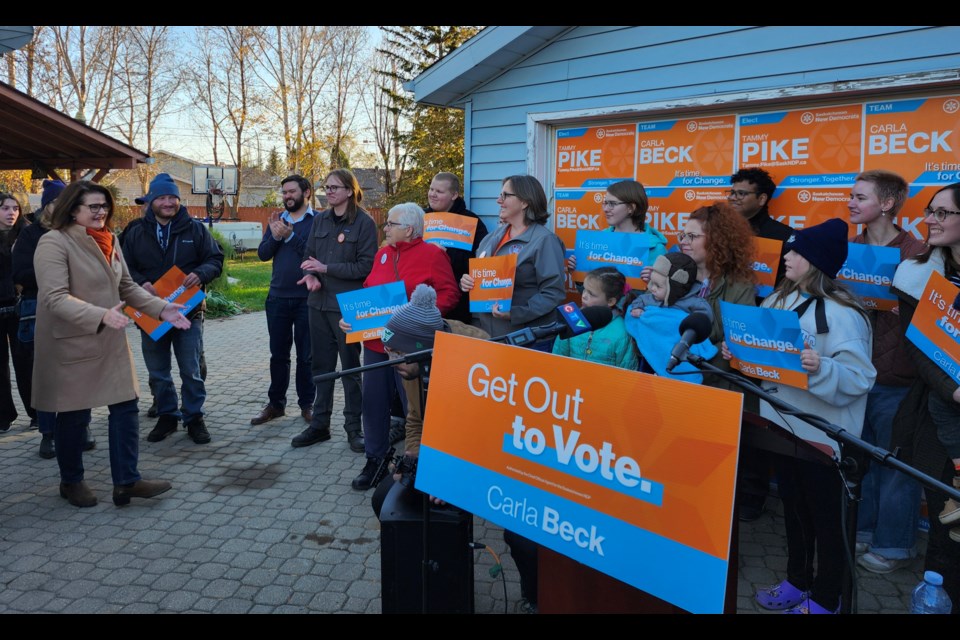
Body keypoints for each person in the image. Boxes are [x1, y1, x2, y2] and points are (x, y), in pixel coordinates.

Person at [741, 218, 875, 614]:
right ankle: (796, 581)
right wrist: (742, 355)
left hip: (823, 438)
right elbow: (768, 359)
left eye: (796, 252)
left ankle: (827, 597)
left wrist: (822, 368)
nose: (788, 256)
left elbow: (860, 378)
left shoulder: (844, 313)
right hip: (782, 429)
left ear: (816, 261)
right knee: (795, 512)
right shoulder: (777, 300)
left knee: (827, 522)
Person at [33, 181, 188, 508]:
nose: (101, 211)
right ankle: (71, 481)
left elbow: (127, 287)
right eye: (93, 206)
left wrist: (162, 308)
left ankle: (127, 481)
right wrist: (101, 316)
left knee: (126, 407)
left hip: (110, 339)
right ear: (73, 209)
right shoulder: (54, 243)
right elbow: (54, 298)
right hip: (73, 343)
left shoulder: (110, 239)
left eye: (104, 205)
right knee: (75, 415)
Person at [340, 202, 459, 491]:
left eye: (391, 224)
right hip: (376, 345)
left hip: (411, 347)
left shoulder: (432, 255)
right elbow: (368, 291)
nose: (386, 228)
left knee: (414, 408)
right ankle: (376, 459)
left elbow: (449, 294)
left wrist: (421, 319)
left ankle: (421, 464)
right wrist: (352, 320)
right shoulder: (382, 254)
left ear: (409, 228)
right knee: (373, 404)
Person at [847, 170, 927, 574]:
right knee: (864, 458)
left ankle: (895, 545)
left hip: (899, 377)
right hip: (857, 374)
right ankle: (864, 531)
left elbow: (936, 322)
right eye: (851, 196)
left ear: (887, 204)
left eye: (860, 197)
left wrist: (905, 310)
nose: (851, 203)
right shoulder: (851, 249)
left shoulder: (918, 254)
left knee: (896, 464)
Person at [891, 183, 960, 605]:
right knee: (946, 524)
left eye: (942, 213)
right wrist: (954, 391)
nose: (929, 220)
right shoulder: (917, 275)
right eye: (929, 211)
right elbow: (917, 347)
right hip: (938, 416)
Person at [120, 173, 224, 445]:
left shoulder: (196, 230)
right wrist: (141, 282)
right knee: (158, 371)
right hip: (149, 313)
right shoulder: (134, 232)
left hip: (188, 312)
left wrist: (201, 273)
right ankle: (167, 415)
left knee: (190, 369)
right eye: (162, 198)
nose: (168, 203)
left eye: (172, 198)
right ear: (151, 201)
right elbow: (122, 265)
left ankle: (194, 418)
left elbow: (215, 259)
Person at [678, 202, 764, 519]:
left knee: (713, 482)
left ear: (715, 240)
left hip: (717, 389)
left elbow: (732, 340)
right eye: (681, 234)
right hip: (678, 386)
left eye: (692, 235)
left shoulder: (739, 285)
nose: (683, 241)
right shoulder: (675, 274)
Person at [294, 168, 377, 451]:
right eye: (326, 187)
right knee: (321, 366)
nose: (328, 192)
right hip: (318, 304)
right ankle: (320, 425)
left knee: (351, 368)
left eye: (334, 187)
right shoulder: (319, 221)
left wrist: (325, 268)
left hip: (348, 307)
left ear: (350, 191)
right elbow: (309, 257)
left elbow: (365, 267)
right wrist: (311, 276)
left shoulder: (364, 223)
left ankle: (354, 428)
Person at [12, 180, 95, 458]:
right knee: (46, 376)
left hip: (77, 309)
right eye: (55, 203)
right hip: (39, 310)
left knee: (79, 374)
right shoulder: (30, 234)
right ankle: (48, 434)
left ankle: (81, 427)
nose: (61, 209)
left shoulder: (80, 232)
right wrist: (55, 275)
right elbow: (20, 273)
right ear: (46, 206)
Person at [459, 175, 566, 350]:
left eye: (506, 195)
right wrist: (468, 282)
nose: (498, 200)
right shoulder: (490, 238)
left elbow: (553, 293)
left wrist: (515, 313)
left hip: (526, 340)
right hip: (487, 335)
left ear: (524, 202)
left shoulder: (544, 241)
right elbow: (482, 278)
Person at [250, 175, 317, 427]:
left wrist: (290, 237)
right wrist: (277, 237)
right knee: (278, 355)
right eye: (284, 193)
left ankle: (307, 404)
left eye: (292, 191)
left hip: (307, 299)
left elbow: (314, 255)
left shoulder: (317, 221)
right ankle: (276, 404)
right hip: (277, 298)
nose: (287, 196)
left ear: (306, 192)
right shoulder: (278, 221)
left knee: (306, 356)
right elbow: (262, 255)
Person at [627, 253, 714, 377]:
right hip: (656, 350)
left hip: (679, 352)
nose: (653, 289)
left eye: (658, 285)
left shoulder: (695, 303)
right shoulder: (652, 298)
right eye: (652, 283)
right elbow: (640, 300)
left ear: (675, 287)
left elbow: (703, 322)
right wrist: (637, 309)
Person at [566, 179, 668, 277]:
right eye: (605, 203)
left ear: (631, 208)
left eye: (612, 204)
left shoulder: (656, 249)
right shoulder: (598, 241)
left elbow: (662, 292)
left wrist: (651, 283)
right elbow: (590, 291)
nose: (605, 209)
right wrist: (578, 274)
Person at [424, 172, 488, 324]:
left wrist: (447, 257)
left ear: (454, 195)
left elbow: (481, 262)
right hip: (420, 296)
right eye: (431, 189)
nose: (432, 194)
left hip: (456, 304)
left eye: (439, 191)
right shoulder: (420, 217)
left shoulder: (471, 222)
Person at [553, 266, 638, 370]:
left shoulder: (622, 332)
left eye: (591, 294)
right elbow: (558, 359)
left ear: (611, 301)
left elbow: (627, 374)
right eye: (584, 289)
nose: (584, 296)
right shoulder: (572, 319)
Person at [0, 193, 35, 433]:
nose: (11, 212)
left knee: (26, 363)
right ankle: (4, 416)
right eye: (4, 208)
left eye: (15, 208)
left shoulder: (27, 235)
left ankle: (36, 413)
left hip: (20, 307)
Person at [727, 167, 792, 290]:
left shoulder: (784, 235)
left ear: (761, 199)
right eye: (732, 193)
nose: (732, 198)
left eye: (741, 194)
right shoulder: (721, 230)